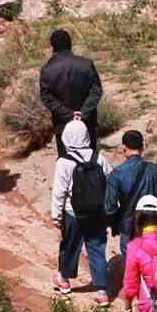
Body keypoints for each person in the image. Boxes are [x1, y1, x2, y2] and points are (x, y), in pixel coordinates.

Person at [49, 118, 111, 302]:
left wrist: (56, 217)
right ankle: (101, 292)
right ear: (86, 136)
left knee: (69, 246)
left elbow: (59, 192)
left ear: (66, 138)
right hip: (97, 212)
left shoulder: (64, 162)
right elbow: (110, 178)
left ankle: (64, 280)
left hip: (73, 212)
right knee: (97, 248)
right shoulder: (98, 157)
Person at [104, 129, 157, 267]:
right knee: (155, 264)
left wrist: (115, 224)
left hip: (128, 227)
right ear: (143, 146)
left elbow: (110, 207)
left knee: (132, 266)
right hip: (154, 226)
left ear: (123, 148)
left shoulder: (117, 174)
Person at [38, 29, 104, 158]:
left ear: (52, 47)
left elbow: (46, 97)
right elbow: (96, 90)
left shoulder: (47, 70)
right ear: (70, 44)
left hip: (63, 125)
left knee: (67, 164)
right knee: (91, 163)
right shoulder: (86, 64)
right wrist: (82, 113)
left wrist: (69, 114)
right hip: (87, 122)